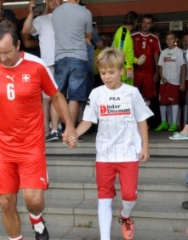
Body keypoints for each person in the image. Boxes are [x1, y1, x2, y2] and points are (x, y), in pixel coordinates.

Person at [0, 22, 76, 240]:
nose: (2, 58)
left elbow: (56, 96)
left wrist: (70, 126)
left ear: (17, 45)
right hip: (1, 147)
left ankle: (37, 219)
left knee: (33, 201)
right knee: (6, 202)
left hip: (31, 144)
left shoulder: (36, 65)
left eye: (7, 52)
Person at [70, 47, 153, 240]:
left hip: (129, 153)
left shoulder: (132, 93)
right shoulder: (96, 93)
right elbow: (87, 121)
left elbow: (142, 120)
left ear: (121, 70)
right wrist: (74, 134)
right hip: (104, 155)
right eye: (103, 72)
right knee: (104, 199)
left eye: (111, 72)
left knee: (129, 196)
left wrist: (145, 147)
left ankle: (125, 215)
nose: (107, 76)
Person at [22, 0, 63, 141]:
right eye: (50, 0)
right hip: (47, 64)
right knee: (46, 100)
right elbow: (26, 30)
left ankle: (59, 129)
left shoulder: (67, 16)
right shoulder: (42, 19)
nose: (53, 2)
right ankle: (46, 131)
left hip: (64, 61)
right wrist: (31, 13)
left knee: (63, 97)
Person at [52, 0, 92, 134]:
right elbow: (88, 37)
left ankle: (54, 129)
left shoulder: (56, 12)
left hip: (59, 57)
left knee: (57, 95)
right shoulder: (85, 12)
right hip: (79, 57)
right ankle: (71, 131)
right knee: (74, 96)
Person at [155, 31, 186, 132]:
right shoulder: (163, 52)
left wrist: (182, 82)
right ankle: (164, 123)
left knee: (174, 103)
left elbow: (183, 67)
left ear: (176, 39)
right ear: (165, 40)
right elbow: (159, 67)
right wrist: (161, 76)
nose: (169, 41)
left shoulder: (179, 51)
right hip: (164, 82)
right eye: (167, 39)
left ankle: (173, 124)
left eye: (171, 38)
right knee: (162, 103)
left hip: (175, 82)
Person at [132, 14, 161, 106]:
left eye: (148, 23)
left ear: (152, 25)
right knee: (133, 95)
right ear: (141, 23)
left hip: (149, 73)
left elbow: (156, 56)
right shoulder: (132, 36)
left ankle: (146, 120)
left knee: (148, 97)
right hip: (135, 71)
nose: (145, 25)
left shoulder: (155, 39)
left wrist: (157, 72)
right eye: (144, 22)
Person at [112, 11, 144, 86]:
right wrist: (128, 68)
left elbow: (126, 54)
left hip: (125, 70)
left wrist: (137, 60)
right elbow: (120, 53)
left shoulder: (126, 33)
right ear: (135, 21)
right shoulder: (123, 33)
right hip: (123, 71)